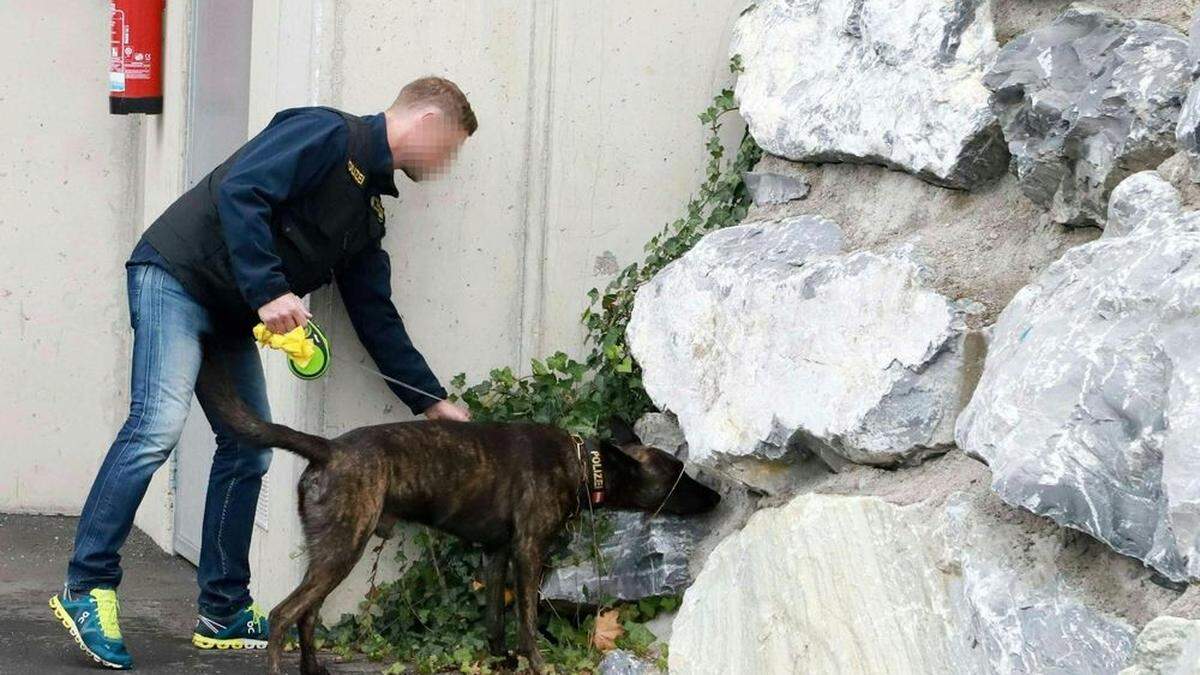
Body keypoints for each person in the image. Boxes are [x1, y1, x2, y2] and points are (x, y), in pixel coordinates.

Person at [49, 76, 476, 670]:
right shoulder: (327, 133)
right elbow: (243, 191)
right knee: (156, 429)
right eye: (450, 147)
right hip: (175, 276)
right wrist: (271, 289)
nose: (447, 163)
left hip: (228, 311)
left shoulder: (367, 214)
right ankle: (86, 587)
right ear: (426, 122)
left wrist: (430, 401)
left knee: (251, 448)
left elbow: (374, 315)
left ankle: (222, 611)